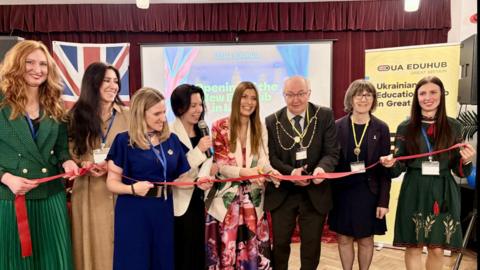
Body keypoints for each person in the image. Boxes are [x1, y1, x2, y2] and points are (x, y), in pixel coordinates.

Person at [106, 87, 210, 270]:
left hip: (163, 209)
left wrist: (198, 182)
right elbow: (111, 182)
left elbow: (179, 177)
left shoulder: (171, 140)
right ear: (141, 113)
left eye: (164, 112)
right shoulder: (124, 141)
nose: (163, 118)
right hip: (134, 211)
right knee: (135, 261)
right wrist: (132, 189)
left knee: (162, 261)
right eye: (157, 113)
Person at [380, 76, 476, 270]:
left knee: (437, 249)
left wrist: (466, 160)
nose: (427, 97)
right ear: (417, 97)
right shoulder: (405, 128)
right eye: (422, 93)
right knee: (414, 246)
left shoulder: (454, 126)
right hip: (414, 189)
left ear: (441, 95)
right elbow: (399, 166)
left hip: (443, 191)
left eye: (433, 92)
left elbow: (459, 168)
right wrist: (390, 164)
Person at [0, 40, 79, 269]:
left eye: (43, 64)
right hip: (12, 198)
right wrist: (6, 178)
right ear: (16, 65)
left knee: (53, 261)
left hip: (51, 197)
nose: (38, 69)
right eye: (30, 62)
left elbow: (62, 148)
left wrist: (67, 163)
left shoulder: (54, 104)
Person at [264, 75, 340, 270]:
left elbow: (331, 151)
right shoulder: (272, 121)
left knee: (311, 246)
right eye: (290, 94)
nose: (295, 99)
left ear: (309, 94)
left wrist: (322, 169)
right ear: (283, 95)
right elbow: (271, 158)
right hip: (283, 192)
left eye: (300, 94)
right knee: (280, 244)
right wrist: (292, 173)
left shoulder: (323, 115)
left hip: (315, 192)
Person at [205, 81, 275, 269]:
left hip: (253, 201)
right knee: (227, 255)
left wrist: (271, 172)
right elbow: (221, 165)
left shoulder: (259, 126)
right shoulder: (219, 125)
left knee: (252, 256)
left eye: (253, 98)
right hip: (226, 202)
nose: (249, 102)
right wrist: (248, 173)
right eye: (244, 97)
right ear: (236, 99)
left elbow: (263, 160)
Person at [69, 62, 130, 270]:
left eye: (116, 81)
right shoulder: (75, 116)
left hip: (121, 189)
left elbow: (138, 150)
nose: (113, 86)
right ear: (93, 83)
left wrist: (111, 165)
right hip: (88, 191)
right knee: (91, 246)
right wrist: (83, 162)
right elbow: (69, 150)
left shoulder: (129, 116)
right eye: (107, 80)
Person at [329, 79, 391, 270]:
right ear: (351, 98)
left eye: (368, 95)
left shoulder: (381, 128)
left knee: (366, 239)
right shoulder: (336, 126)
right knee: (344, 238)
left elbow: (385, 169)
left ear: (373, 100)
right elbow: (330, 160)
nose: (364, 99)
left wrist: (383, 201)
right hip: (342, 193)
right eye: (359, 94)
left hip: (369, 193)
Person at [169, 84, 214, 270]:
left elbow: (209, 160)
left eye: (200, 104)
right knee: (183, 254)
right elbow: (174, 171)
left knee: (197, 253)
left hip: (199, 200)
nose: (199, 110)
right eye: (193, 105)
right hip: (179, 202)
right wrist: (198, 150)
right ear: (180, 107)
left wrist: (204, 179)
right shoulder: (170, 133)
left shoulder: (203, 131)